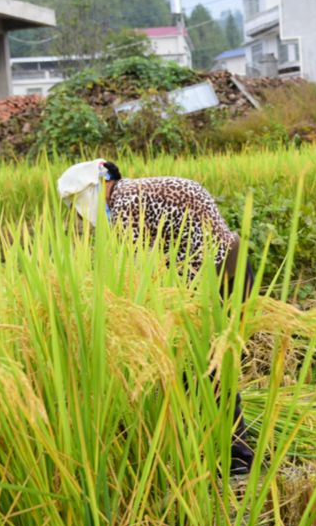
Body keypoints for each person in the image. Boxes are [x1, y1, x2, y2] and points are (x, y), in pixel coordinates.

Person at [57, 159, 255, 475]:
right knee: (212, 365)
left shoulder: (125, 202)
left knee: (203, 368)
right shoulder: (138, 190)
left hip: (214, 280)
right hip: (232, 266)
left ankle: (235, 457)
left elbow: (140, 275)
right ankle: (225, 446)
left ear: (95, 191)